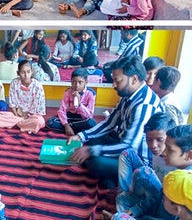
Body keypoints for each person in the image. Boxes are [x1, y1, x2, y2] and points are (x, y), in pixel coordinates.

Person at [70, 56, 165, 185]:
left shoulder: (144, 106)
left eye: (117, 81)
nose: (113, 85)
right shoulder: (128, 94)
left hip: (137, 159)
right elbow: (110, 122)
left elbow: (130, 147)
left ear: (134, 79)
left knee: (96, 162)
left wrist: (91, 151)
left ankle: (118, 177)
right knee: (89, 139)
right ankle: (111, 177)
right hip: (122, 143)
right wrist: (81, 137)